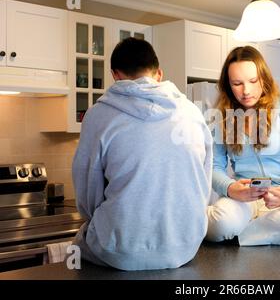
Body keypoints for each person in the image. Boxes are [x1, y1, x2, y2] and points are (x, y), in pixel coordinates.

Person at [72, 37, 212, 270]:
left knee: (76, 248)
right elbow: (203, 182)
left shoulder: (98, 115)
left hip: (119, 251)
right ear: (159, 73)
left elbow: (87, 190)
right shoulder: (192, 113)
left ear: (115, 75)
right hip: (186, 246)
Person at [206, 46, 280, 246]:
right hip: (243, 200)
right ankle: (258, 233)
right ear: (228, 85)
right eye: (237, 83)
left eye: (252, 81)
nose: (246, 91)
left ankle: (240, 237)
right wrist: (231, 189)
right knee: (221, 224)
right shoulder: (222, 117)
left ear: (263, 78)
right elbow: (213, 167)